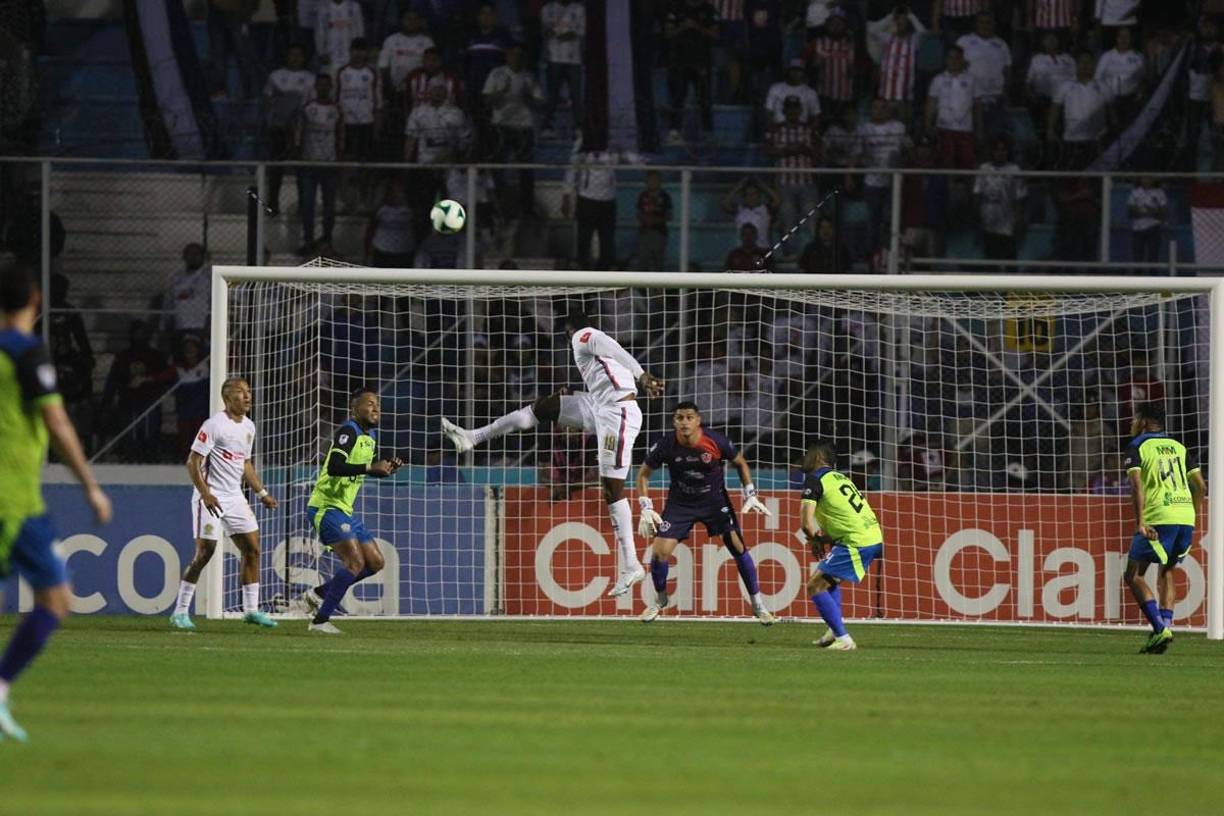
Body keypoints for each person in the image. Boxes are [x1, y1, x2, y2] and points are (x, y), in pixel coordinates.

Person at [441, 311, 666, 596]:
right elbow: (606, 371)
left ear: (568, 329)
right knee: (544, 407)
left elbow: (614, 348)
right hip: (599, 405)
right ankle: (472, 437)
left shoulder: (583, 336)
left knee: (612, 488)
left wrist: (642, 375)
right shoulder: (592, 353)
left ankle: (631, 564)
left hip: (618, 414)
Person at [0, 266, 112, 742]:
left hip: (21, 500)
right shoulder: (26, 352)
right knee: (56, 597)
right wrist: (90, 485)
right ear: (37, 300)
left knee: (56, 596)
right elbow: (58, 423)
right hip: (10, 499)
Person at [636, 401, 776, 624]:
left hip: (714, 500)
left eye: (689, 417)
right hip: (680, 503)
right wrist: (646, 506)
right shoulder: (666, 444)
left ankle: (758, 605)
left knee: (737, 546)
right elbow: (643, 473)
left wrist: (750, 493)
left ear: (698, 420)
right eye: (679, 418)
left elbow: (740, 462)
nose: (684, 422)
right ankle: (660, 601)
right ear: (674, 421)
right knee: (660, 552)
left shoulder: (714, 440)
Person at [169, 378, 279, 630]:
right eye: (241, 392)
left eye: (249, 391)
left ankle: (251, 611)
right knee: (205, 552)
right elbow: (192, 461)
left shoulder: (249, 427)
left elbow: (245, 464)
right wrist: (206, 494)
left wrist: (262, 493)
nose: (248, 396)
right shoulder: (214, 425)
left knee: (253, 550)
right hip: (210, 497)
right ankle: (180, 612)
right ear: (228, 398)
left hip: (234, 497)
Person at [301, 388, 404, 633]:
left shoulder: (371, 436)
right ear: (354, 408)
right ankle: (320, 621)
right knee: (354, 563)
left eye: (377, 404)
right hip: (326, 506)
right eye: (369, 404)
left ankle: (318, 594)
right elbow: (337, 466)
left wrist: (385, 469)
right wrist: (370, 467)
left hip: (345, 510)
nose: (375, 408)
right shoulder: (349, 430)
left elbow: (358, 470)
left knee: (376, 562)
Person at [1122, 401, 1207, 654]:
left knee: (1133, 575)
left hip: (1159, 516)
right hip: (1184, 516)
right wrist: (1192, 513)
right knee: (1166, 570)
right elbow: (1201, 486)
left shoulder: (1138, 445)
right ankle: (1166, 626)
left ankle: (1160, 629)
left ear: (1145, 422)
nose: (1133, 423)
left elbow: (1137, 485)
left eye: (1136, 418)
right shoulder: (1179, 447)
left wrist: (1140, 522)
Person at [798, 439, 884, 651]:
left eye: (808, 453)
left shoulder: (814, 479)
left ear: (818, 457)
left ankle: (844, 640)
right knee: (829, 581)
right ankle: (833, 630)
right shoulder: (839, 478)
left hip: (856, 541)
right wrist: (821, 539)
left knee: (815, 585)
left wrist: (814, 540)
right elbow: (843, 519)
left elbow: (805, 522)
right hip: (869, 535)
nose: (804, 458)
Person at [263, 45, 316, 214]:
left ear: (303, 58)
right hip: (278, 128)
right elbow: (267, 99)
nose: (294, 58)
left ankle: (302, 205)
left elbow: (311, 104)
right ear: (286, 57)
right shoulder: (276, 76)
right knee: (276, 166)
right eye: (291, 55)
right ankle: (272, 204)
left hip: (300, 129)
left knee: (300, 167)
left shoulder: (310, 78)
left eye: (298, 55)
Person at [295, 73, 343, 255]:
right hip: (309, 164)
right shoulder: (308, 108)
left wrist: (339, 160)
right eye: (320, 85)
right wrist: (299, 158)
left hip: (329, 165)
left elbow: (340, 136)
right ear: (316, 87)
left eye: (326, 85)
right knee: (308, 205)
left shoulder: (336, 109)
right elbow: (299, 134)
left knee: (329, 206)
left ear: (330, 87)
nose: (323, 88)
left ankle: (327, 242)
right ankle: (308, 241)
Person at [664, 0, 719, 144]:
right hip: (680, 61)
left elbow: (715, 34)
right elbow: (668, 34)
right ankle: (674, 132)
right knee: (678, 97)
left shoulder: (708, 9)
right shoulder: (675, 7)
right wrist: (683, 27)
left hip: (701, 62)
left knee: (705, 99)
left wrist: (696, 26)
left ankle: (708, 133)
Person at [973, 137, 1027, 261]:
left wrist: (1018, 221)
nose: (1000, 153)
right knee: (991, 264)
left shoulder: (1015, 170)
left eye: (1003, 150)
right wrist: (977, 219)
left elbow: (1020, 197)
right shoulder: (983, 168)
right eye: (997, 149)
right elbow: (977, 194)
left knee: (1009, 265)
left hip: (1007, 226)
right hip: (988, 225)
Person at [925, 45, 978, 169]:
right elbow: (931, 103)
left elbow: (977, 105)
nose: (953, 61)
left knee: (965, 166)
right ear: (946, 60)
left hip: (965, 129)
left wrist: (979, 128)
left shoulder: (972, 79)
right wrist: (927, 124)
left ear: (962, 60)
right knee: (944, 164)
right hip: (944, 128)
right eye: (950, 58)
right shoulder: (938, 79)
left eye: (957, 58)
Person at [540, 0, 585, 132]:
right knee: (552, 95)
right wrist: (563, 32)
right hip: (554, 58)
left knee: (576, 96)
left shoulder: (579, 9)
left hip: (574, 59)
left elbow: (580, 32)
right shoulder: (548, 9)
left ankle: (579, 127)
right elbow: (546, 31)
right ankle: (547, 126)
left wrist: (561, 33)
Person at [764, 59, 821, 126]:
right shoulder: (775, 88)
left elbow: (815, 115)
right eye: (793, 69)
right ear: (788, 71)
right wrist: (772, 128)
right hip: (778, 130)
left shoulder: (810, 92)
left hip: (802, 131)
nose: (796, 72)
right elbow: (768, 111)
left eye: (799, 70)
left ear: (803, 73)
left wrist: (810, 131)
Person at [315, 0, 363, 79]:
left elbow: (359, 30)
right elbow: (319, 32)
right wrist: (321, 52)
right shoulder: (323, 7)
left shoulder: (354, 6)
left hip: (350, 55)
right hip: (330, 56)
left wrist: (358, 52)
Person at [636, 169, 673, 271]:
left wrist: (655, 221)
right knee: (643, 260)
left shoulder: (665, 197)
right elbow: (638, 213)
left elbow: (669, 216)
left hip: (659, 232)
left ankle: (659, 286)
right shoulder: (643, 195)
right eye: (650, 180)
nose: (653, 182)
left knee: (658, 260)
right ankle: (642, 286)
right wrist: (645, 220)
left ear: (660, 181)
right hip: (644, 232)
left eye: (655, 180)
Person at [1127, 175, 1167, 270]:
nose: (1146, 180)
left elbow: (1163, 213)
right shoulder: (1135, 192)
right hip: (1137, 229)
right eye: (1144, 177)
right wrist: (1147, 212)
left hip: (1153, 228)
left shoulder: (1159, 192)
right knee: (1137, 259)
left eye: (1149, 177)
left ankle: (1153, 282)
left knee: (1153, 258)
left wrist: (1150, 211)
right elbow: (1130, 212)